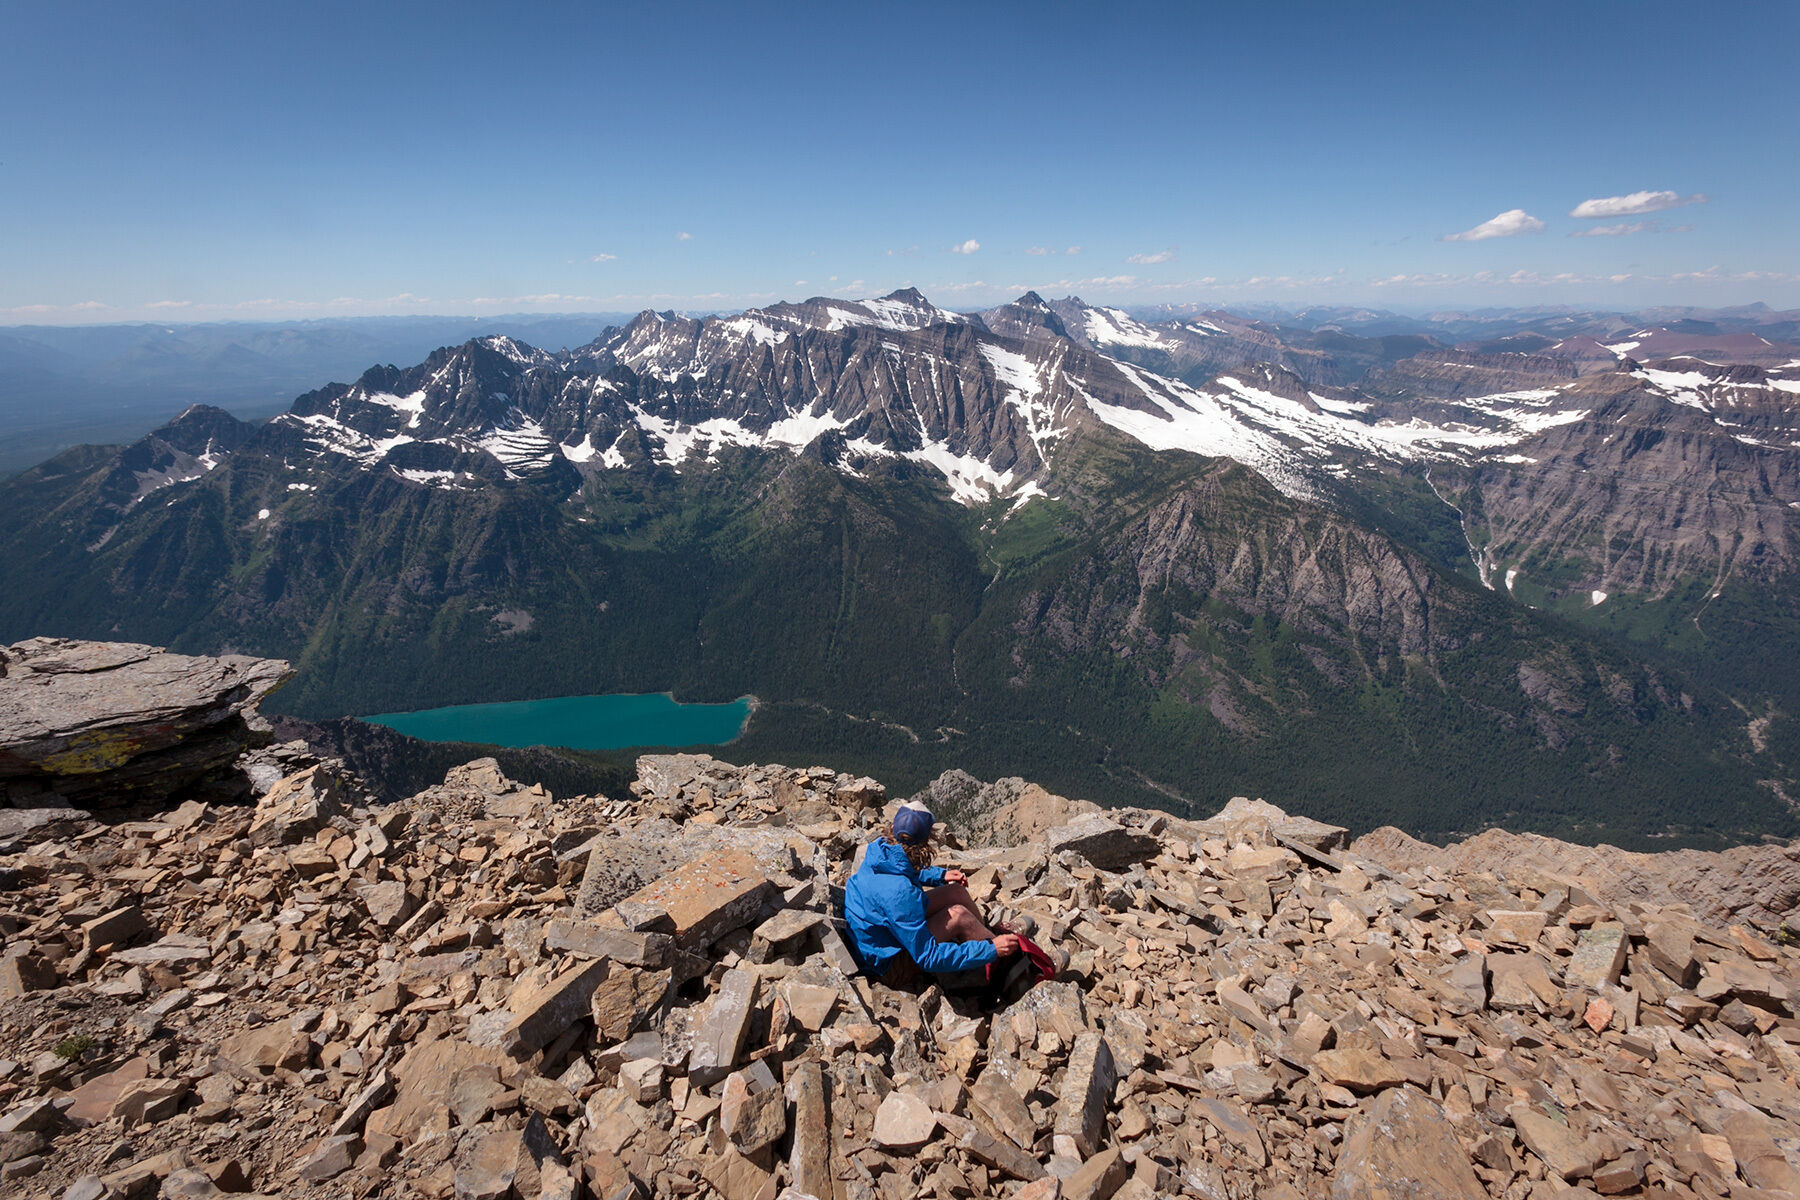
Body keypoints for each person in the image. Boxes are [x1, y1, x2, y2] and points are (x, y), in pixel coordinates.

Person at [844, 799, 1021, 988]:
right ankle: (1006, 966)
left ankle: (985, 935)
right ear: (925, 842)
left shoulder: (878, 850)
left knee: (955, 892)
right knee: (959, 915)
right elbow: (927, 957)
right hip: (886, 966)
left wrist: (941, 875)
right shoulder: (901, 892)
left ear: (894, 828)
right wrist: (991, 950)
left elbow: (902, 868)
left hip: (881, 935)